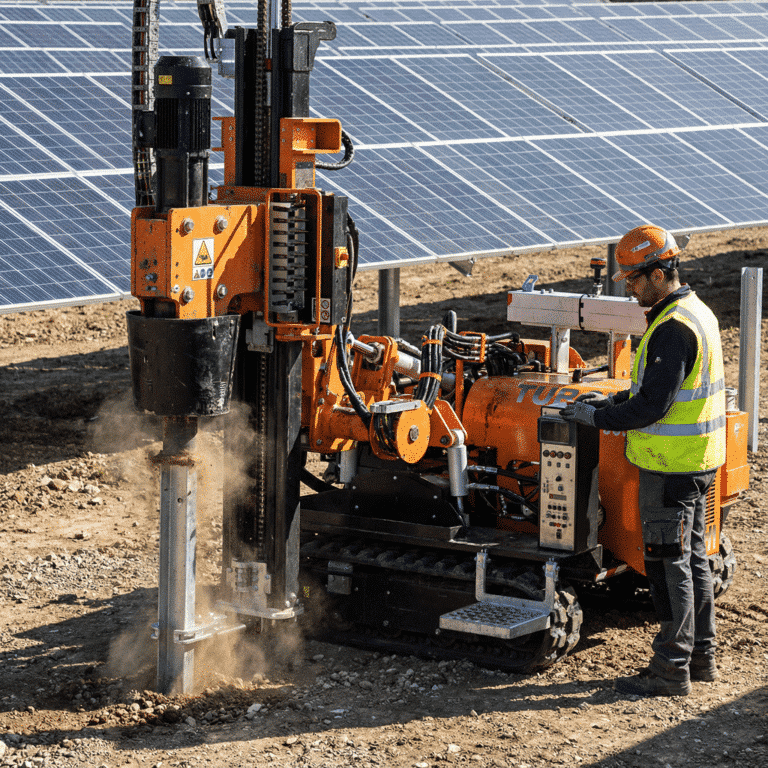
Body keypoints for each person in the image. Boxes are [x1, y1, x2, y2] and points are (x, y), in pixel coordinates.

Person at [560, 224, 726, 697]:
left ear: (658, 273)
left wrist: (595, 416)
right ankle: (701, 657)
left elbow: (652, 407)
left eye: (633, 279)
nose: (629, 288)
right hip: (699, 462)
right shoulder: (697, 313)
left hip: (671, 468)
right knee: (694, 560)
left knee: (667, 564)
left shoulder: (672, 329)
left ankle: (671, 669)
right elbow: (655, 391)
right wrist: (610, 403)